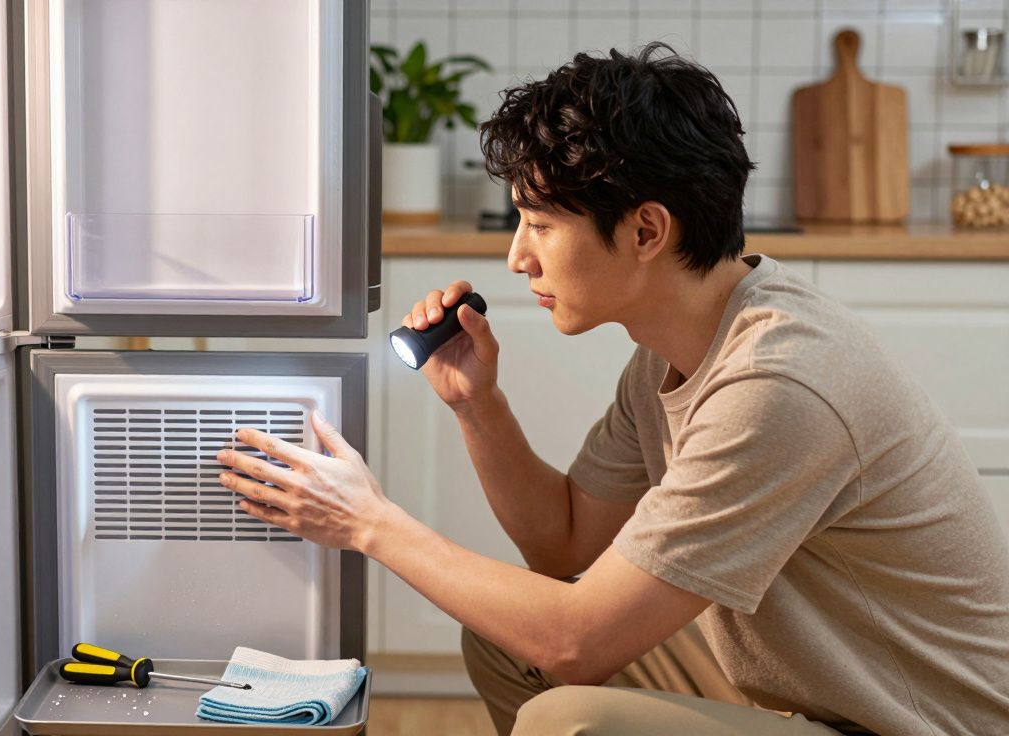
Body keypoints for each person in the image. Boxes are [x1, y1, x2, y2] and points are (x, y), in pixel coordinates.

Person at [214, 44, 1009, 735]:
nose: (518, 259)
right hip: (816, 692)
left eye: (541, 224)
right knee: (505, 638)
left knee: (569, 715)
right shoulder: (673, 350)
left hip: (911, 725)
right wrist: (475, 403)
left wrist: (370, 524)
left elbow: (577, 643)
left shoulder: (776, 384)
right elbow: (563, 544)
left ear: (646, 232)